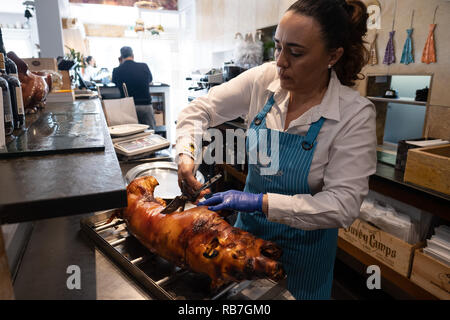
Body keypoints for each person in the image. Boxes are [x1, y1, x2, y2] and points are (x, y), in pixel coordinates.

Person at [175, 0, 376, 300]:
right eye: (278, 47)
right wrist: (185, 155)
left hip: (302, 262)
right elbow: (199, 110)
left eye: (295, 53)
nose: (281, 61)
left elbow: (343, 205)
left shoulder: (354, 114)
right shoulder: (265, 80)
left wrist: (261, 202)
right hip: (241, 245)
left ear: (332, 56)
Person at [112, 46, 156, 129]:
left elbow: (115, 82)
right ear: (133, 55)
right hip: (145, 105)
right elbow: (150, 80)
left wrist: (120, 64)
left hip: (128, 107)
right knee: (151, 132)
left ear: (121, 57)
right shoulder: (144, 66)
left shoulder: (117, 70)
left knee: (131, 133)